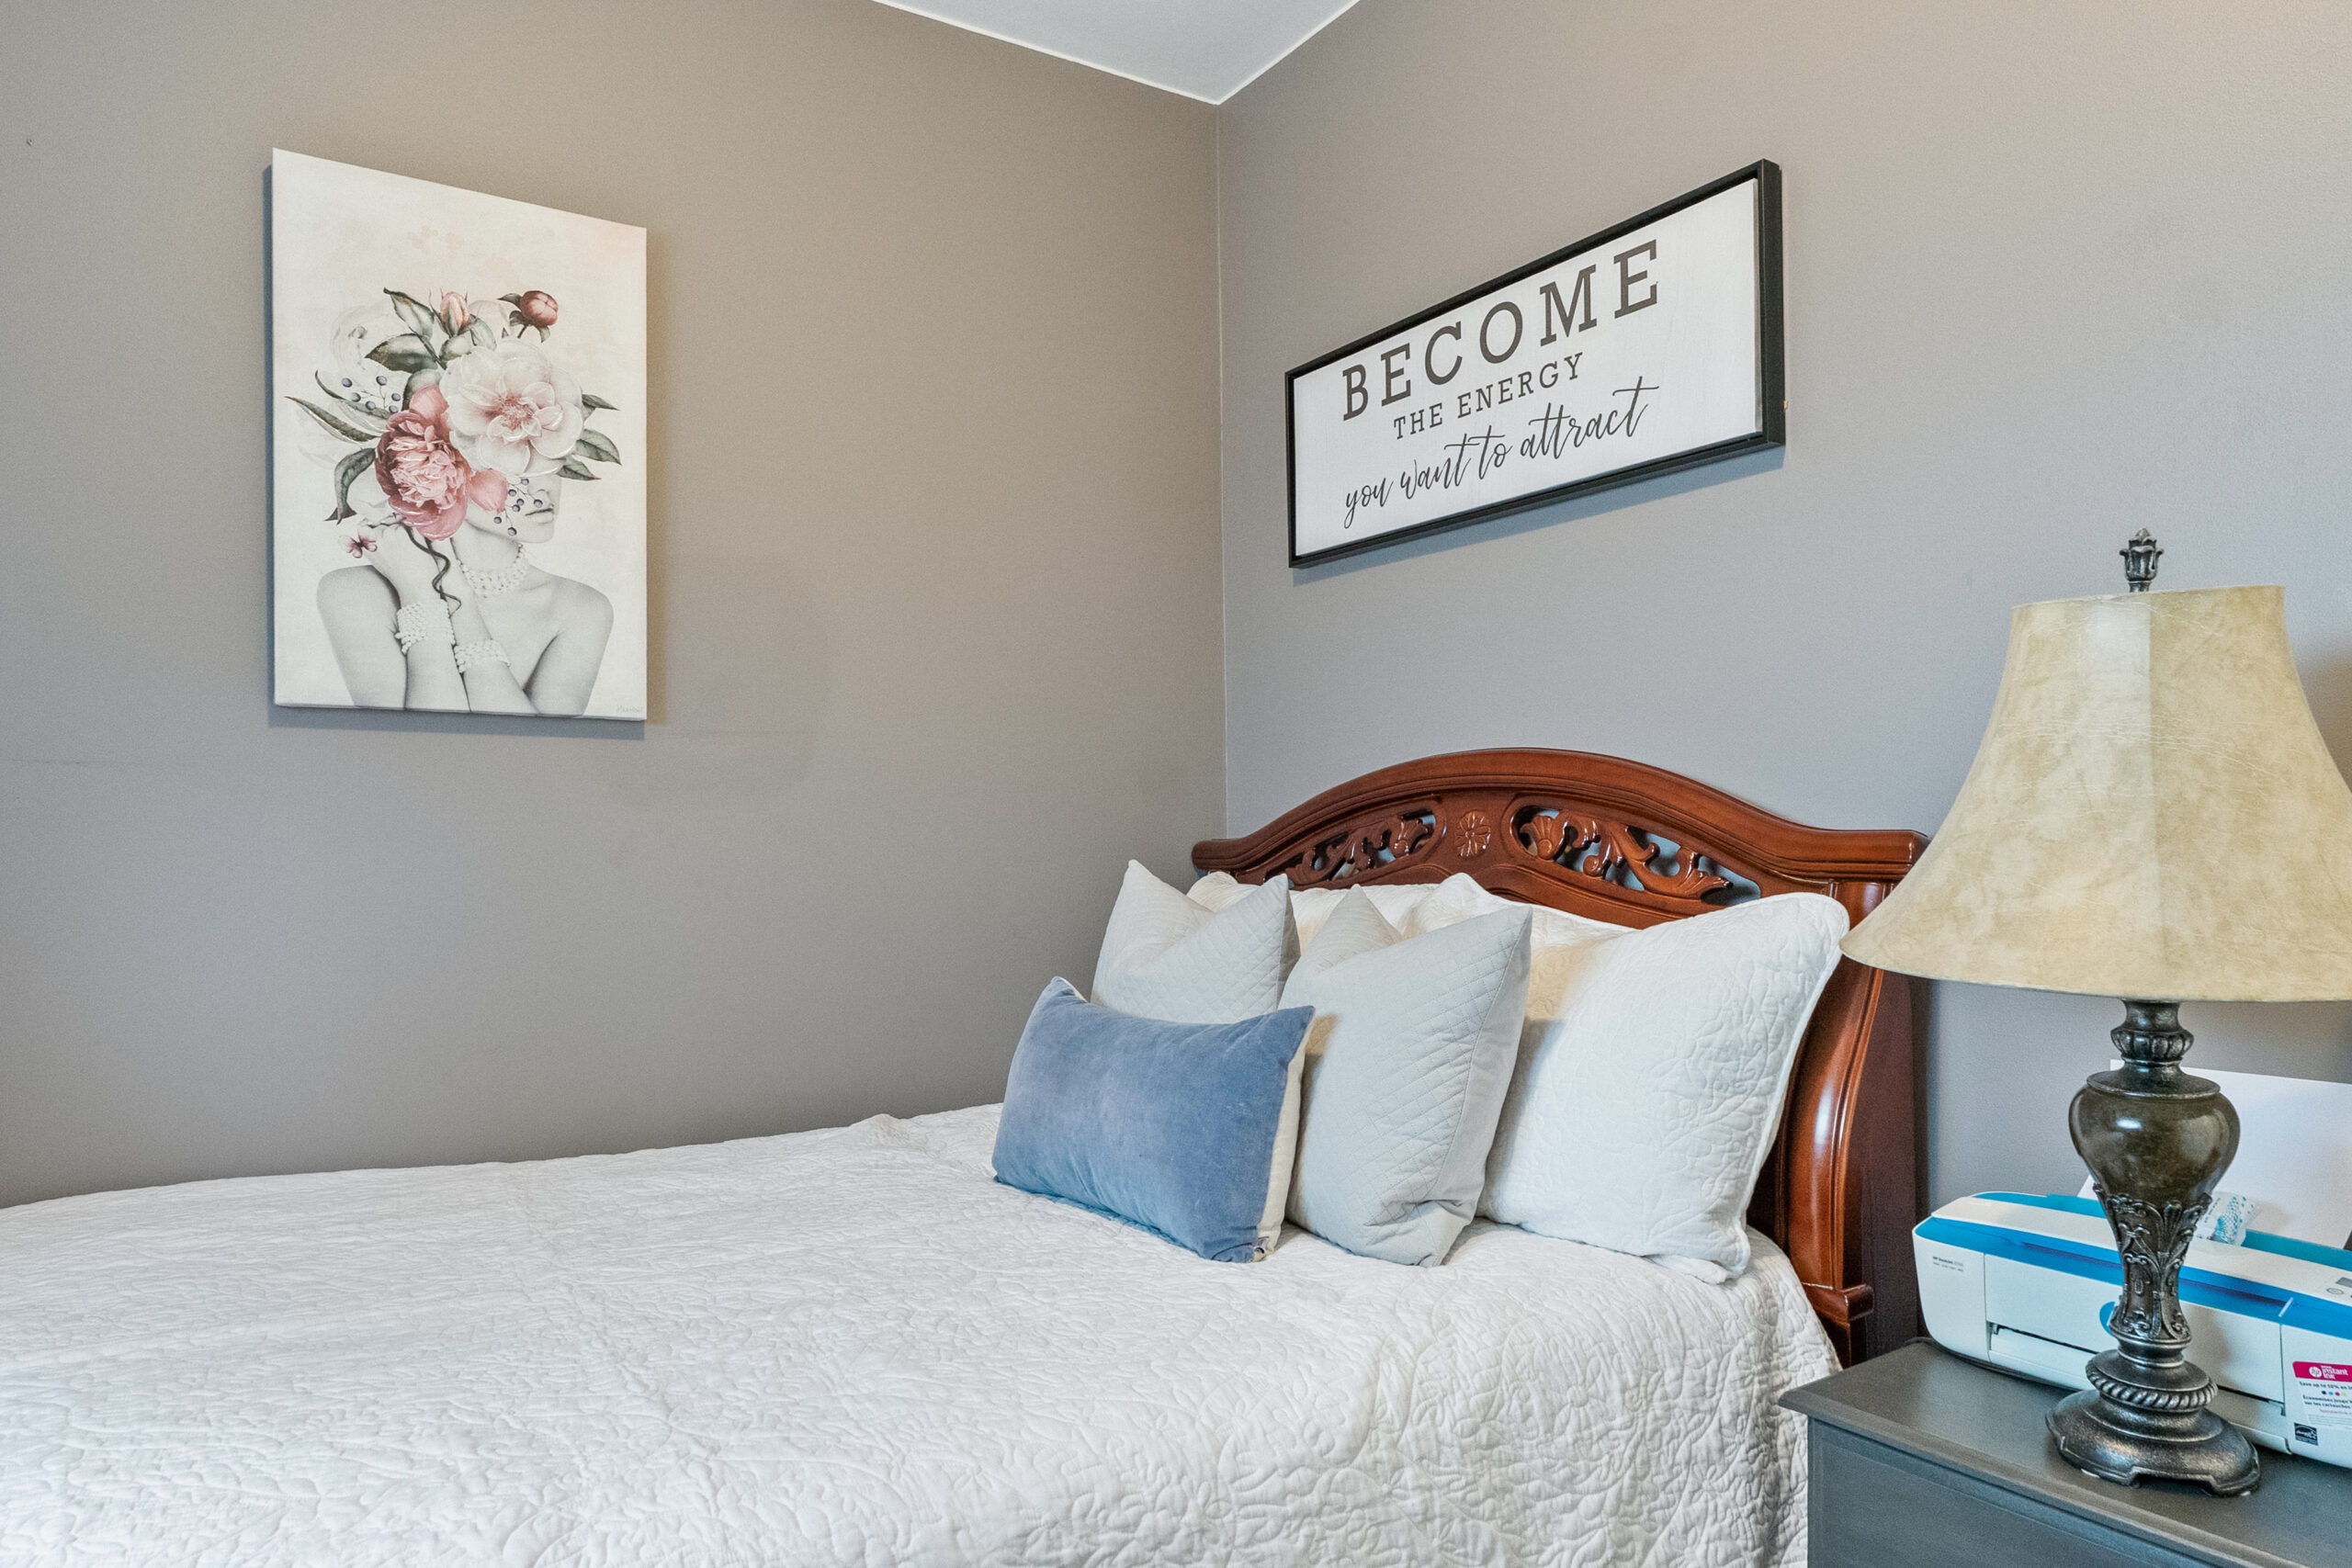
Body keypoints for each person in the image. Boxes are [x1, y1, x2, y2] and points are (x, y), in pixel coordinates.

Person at [318, 470, 613, 716]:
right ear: (435, 475)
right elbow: (419, 750)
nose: (541, 489)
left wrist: (455, 591)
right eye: (513, 470)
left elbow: (535, 757)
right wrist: (419, 592)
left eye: (549, 465)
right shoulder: (352, 593)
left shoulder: (581, 608)